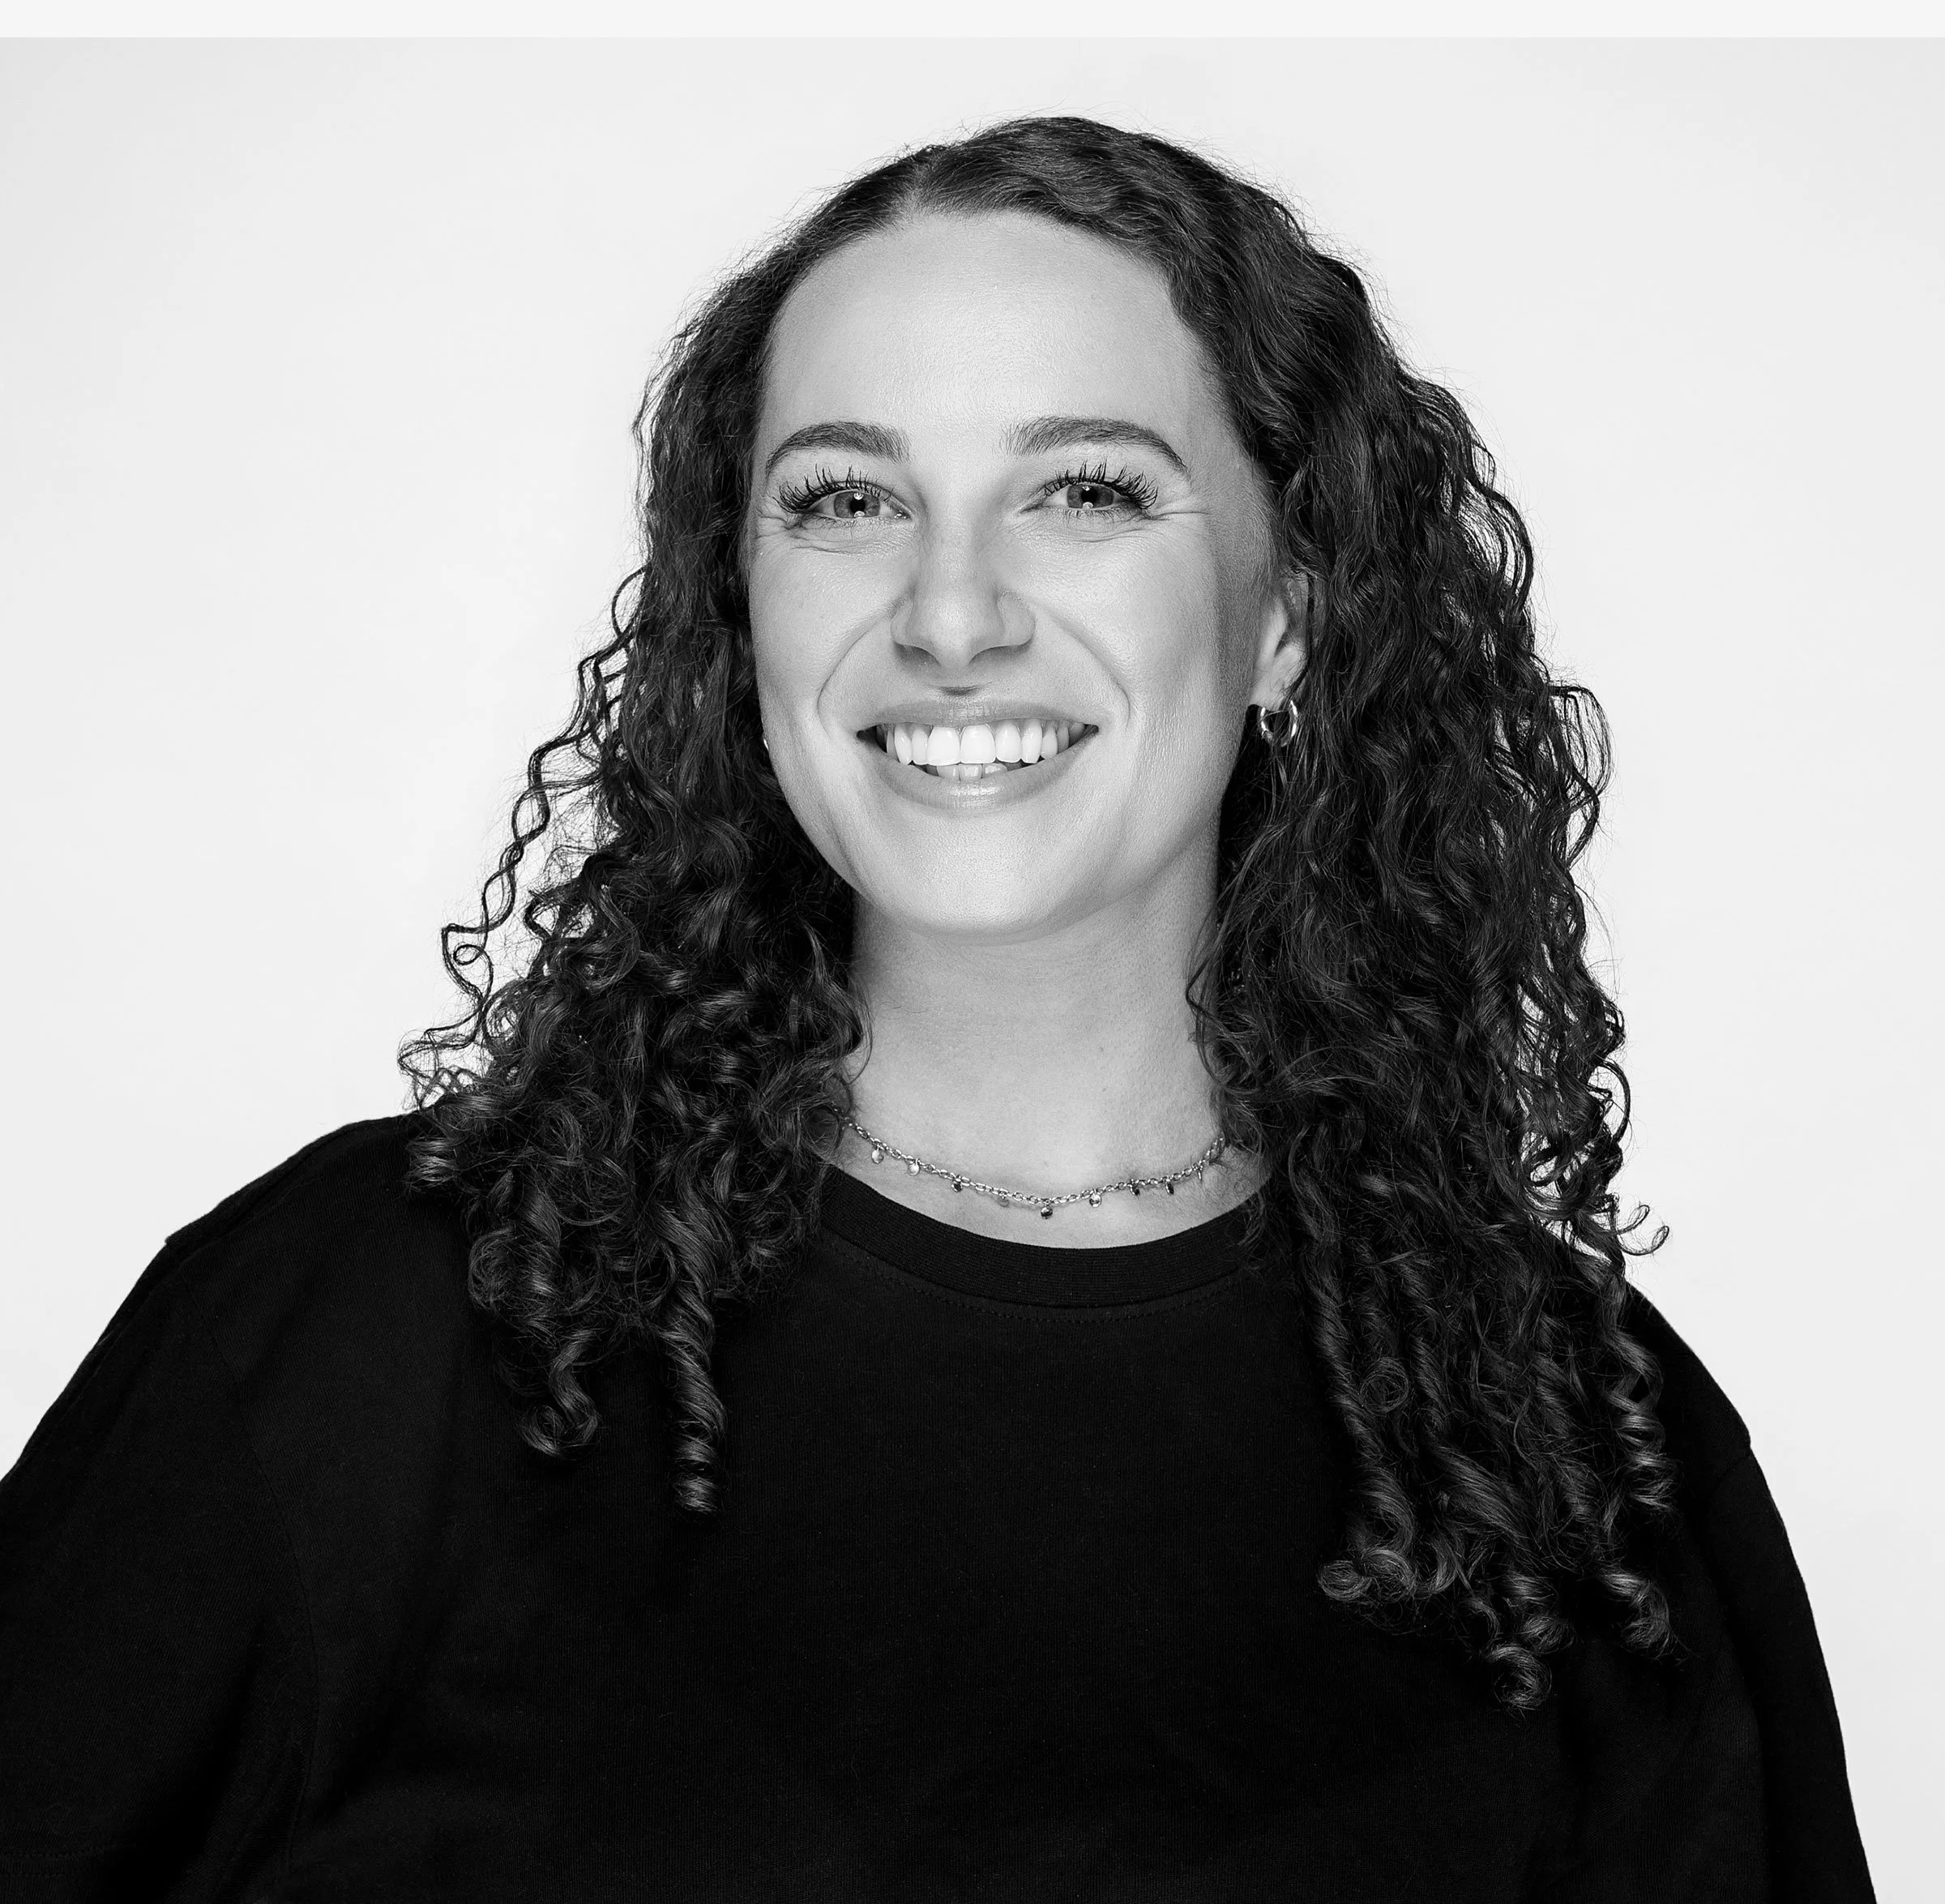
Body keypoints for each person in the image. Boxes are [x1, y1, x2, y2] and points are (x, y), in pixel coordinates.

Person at [0, 116, 1874, 1902]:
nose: (952, 612)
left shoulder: (1580, 1451)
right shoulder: (371, 1328)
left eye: (1085, 490)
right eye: (847, 498)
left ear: (1288, 612)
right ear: (744, 608)